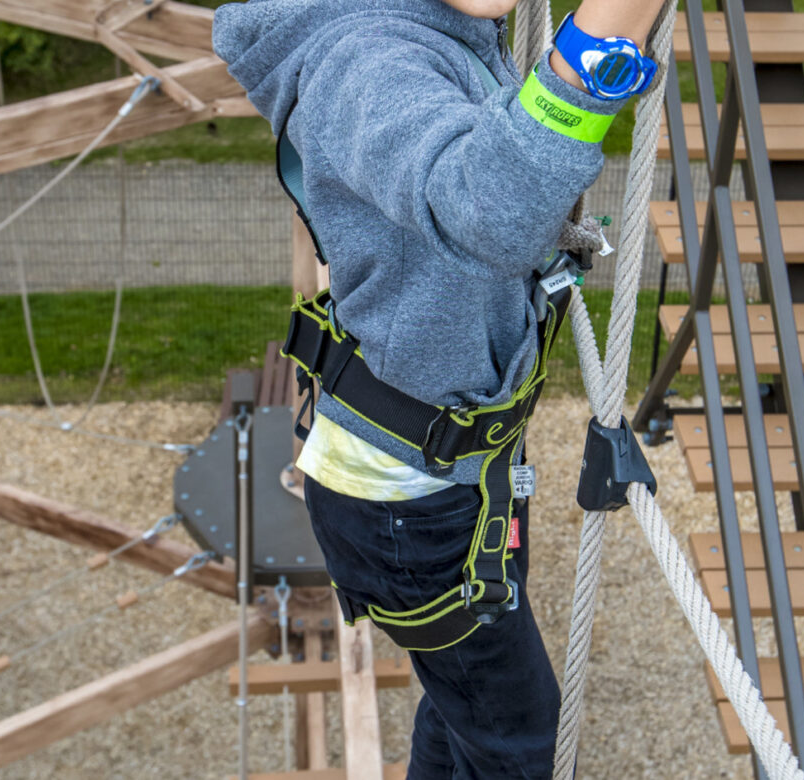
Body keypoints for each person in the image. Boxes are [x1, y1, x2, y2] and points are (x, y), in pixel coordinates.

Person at [214, 1, 666, 776]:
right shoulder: (366, 61)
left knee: (463, 713)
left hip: (451, 471)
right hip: (407, 505)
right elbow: (487, 209)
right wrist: (608, 32)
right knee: (526, 751)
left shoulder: (435, 31)